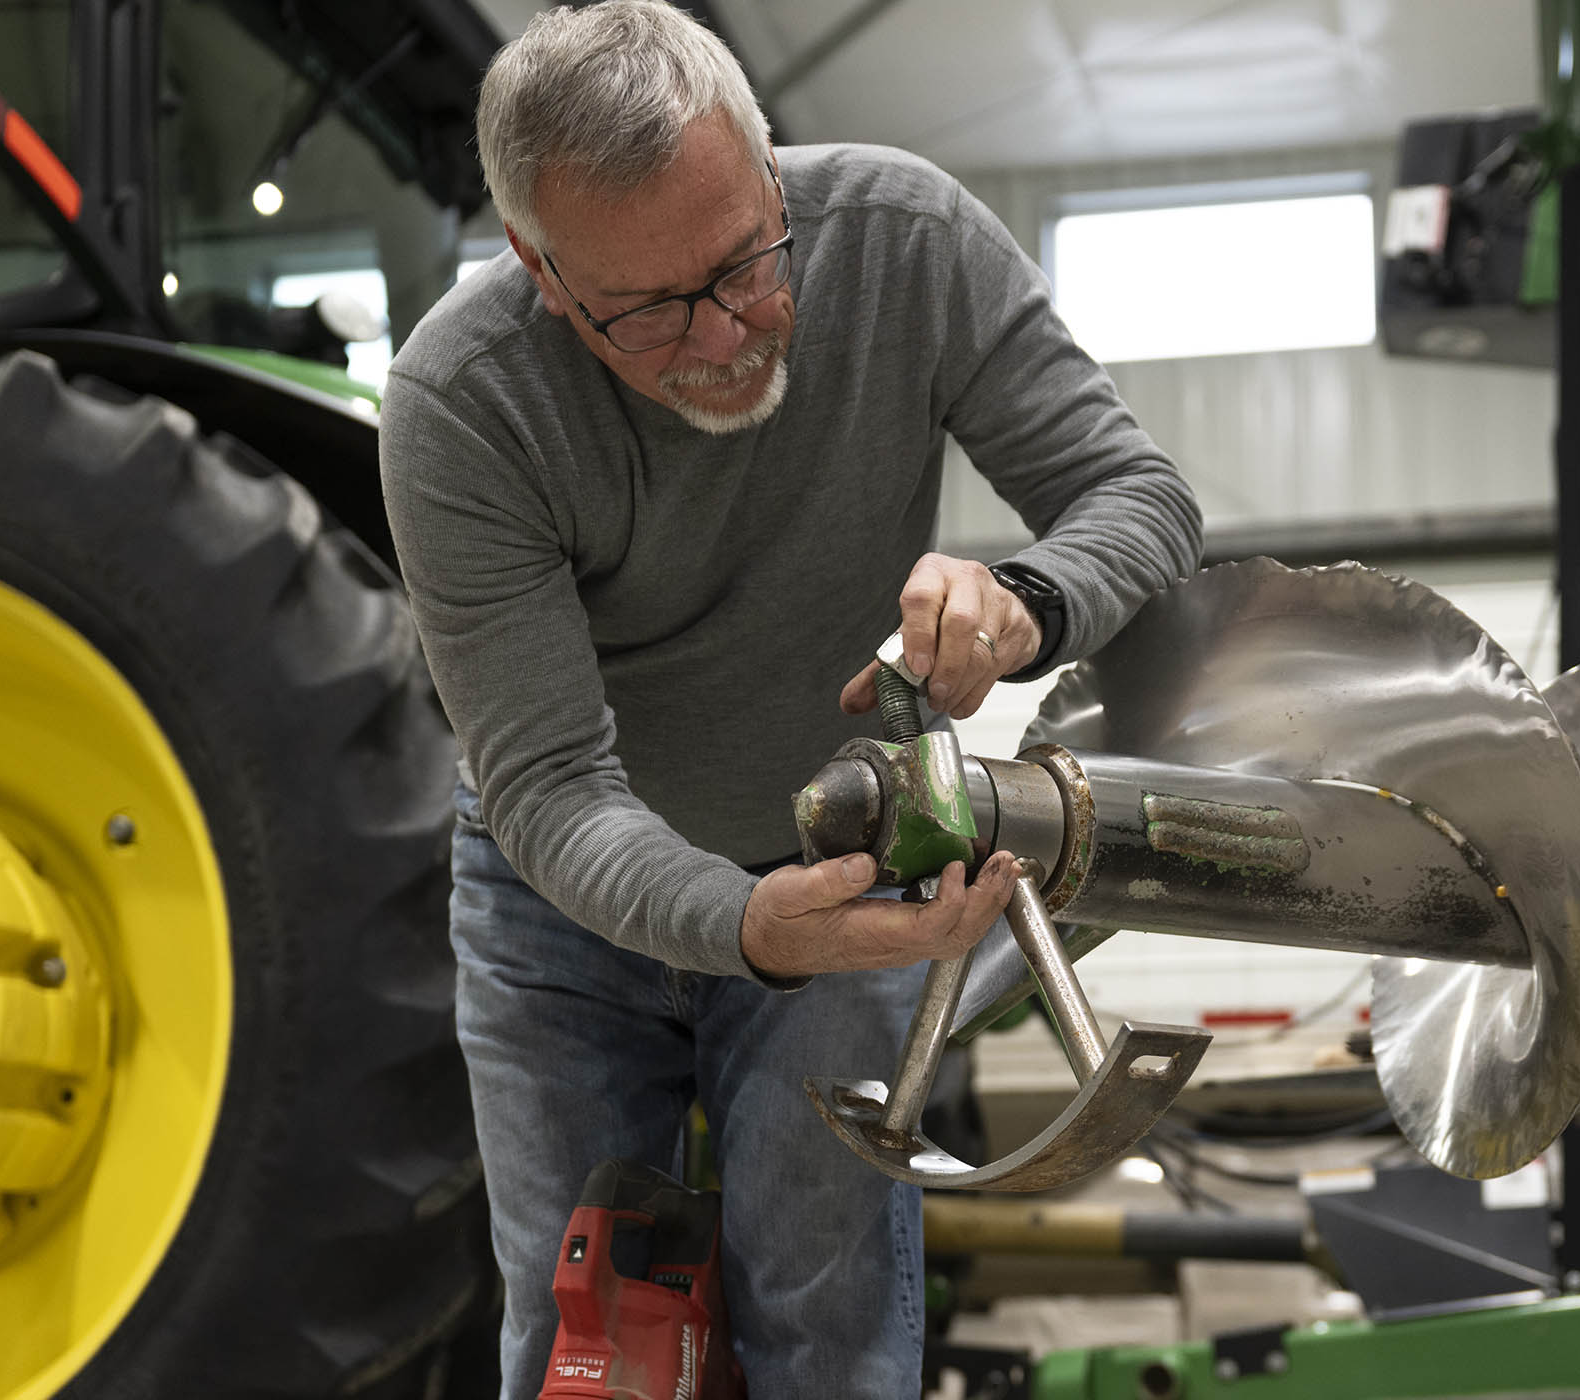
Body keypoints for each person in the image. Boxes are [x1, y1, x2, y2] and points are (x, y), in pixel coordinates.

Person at [377, 3, 1202, 1394]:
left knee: (830, 1333)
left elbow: (1140, 497)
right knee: (591, 1345)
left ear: (772, 169)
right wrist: (743, 930)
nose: (723, 335)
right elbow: (550, 789)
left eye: (746, 261)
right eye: (645, 310)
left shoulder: (905, 241)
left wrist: (1029, 601)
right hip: (558, 913)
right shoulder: (463, 406)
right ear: (538, 265)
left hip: (841, 863)